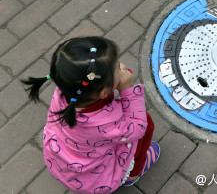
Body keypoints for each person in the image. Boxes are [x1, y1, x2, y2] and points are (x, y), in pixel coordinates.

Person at [21, 36, 159, 193]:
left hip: (63, 162)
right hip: (97, 180)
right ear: (104, 92)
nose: (121, 66)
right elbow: (138, 127)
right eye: (116, 68)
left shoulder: (68, 90)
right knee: (147, 123)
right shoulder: (106, 124)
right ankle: (132, 175)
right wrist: (127, 91)